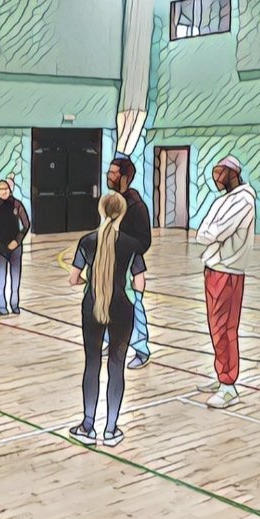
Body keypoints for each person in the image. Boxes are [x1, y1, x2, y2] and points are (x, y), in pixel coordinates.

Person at [67, 192, 144, 447]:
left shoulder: (87, 241)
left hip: (92, 307)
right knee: (116, 366)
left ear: (101, 211)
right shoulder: (132, 245)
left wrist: (89, 281)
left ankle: (88, 426)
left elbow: (73, 277)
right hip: (122, 308)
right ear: (122, 213)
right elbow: (140, 283)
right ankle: (111, 429)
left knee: (92, 364)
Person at [195, 156, 257, 410]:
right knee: (215, 327)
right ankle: (221, 376)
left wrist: (208, 234)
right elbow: (203, 231)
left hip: (229, 271)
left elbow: (215, 232)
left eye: (220, 173)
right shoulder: (223, 200)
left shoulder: (244, 200)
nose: (216, 178)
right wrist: (207, 234)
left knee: (225, 329)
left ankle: (229, 385)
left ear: (233, 173)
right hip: (214, 268)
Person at [106, 156, 153, 368]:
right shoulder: (112, 202)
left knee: (134, 307)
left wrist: (125, 249)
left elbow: (144, 241)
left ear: (124, 177)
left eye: (114, 172)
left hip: (130, 265)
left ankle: (141, 349)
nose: (109, 175)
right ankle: (111, 341)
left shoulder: (136, 206)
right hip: (111, 263)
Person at [0, 178, 31, 316]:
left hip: (16, 247)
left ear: (10, 190)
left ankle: (15, 304)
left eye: (5, 189)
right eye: (0, 189)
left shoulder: (17, 205)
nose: (3, 191)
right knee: (1, 275)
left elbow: (26, 224)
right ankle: (1, 305)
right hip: (0, 247)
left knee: (15, 276)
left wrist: (17, 241)